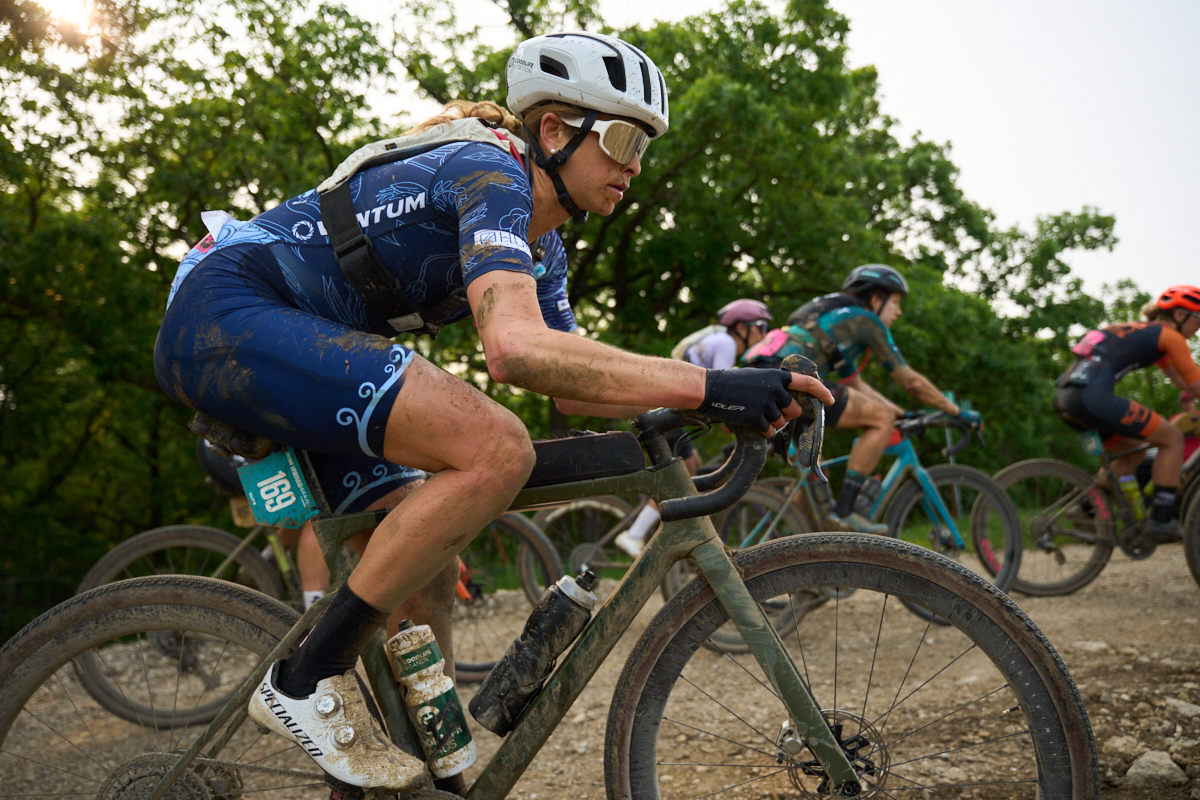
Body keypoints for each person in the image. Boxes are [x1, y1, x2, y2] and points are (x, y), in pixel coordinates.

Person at [154, 31, 829, 791]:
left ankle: (431, 777)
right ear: (554, 130)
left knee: (430, 571)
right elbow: (513, 350)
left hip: (307, 336)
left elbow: (571, 386)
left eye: (645, 148)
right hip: (229, 310)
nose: (636, 165)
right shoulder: (490, 171)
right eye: (623, 140)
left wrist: (717, 399)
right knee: (496, 447)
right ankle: (306, 680)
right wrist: (711, 385)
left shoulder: (545, 248)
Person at [743, 264, 980, 534]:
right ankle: (845, 512)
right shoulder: (866, 320)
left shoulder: (835, 320)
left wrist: (901, 413)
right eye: (896, 302)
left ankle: (791, 546)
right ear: (876, 299)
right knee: (881, 419)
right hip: (790, 382)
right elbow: (911, 382)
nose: (899, 312)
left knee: (817, 481)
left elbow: (854, 384)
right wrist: (955, 411)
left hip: (764, 379)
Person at [614, 298, 772, 556]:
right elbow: (724, 390)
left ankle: (663, 530)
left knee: (694, 463)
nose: (764, 335)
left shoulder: (719, 340)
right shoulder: (726, 343)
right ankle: (634, 535)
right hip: (663, 405)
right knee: (684, 471)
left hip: (666, 404)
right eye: (761, 327)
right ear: (742, 327)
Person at [1053, 285, 1200, 542]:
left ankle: (1084, 508)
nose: (1197, 329)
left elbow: (1181, 381)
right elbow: (1195, 382)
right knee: (1172, 438)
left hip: (1065, 398)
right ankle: (1161, 520)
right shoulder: (1171, 337)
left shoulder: (1140, 330)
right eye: (1198, 320)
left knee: (1134, 452)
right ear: (1180, 315)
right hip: (1093, 398)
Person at [1170, 391, 1200, 464]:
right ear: (1180, 404)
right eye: (1185, 402)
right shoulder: (1174, 419)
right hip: (1183, 458)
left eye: (1190, 401)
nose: (1188, 404)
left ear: (1195, 403)